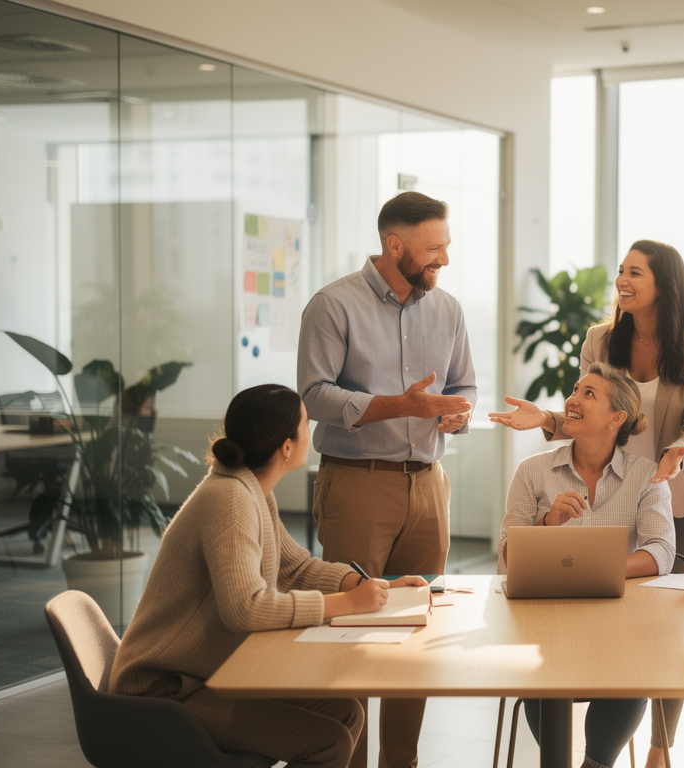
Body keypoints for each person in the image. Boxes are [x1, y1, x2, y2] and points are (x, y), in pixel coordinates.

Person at [110, 384, 427, 768]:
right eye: (306, 424)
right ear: (286, 447)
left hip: (204, 676)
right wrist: (343, 604)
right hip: (166, 691)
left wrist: (364, 586)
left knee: (346, 712)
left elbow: (295, 567)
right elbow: (245, 609)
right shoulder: (228, 499)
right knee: (327, 742)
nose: (312, 432)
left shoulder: (252, 489)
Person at [489, 240, 684, 768]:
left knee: (664, 624)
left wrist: (680, 454)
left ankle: (661, 747)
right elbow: (590, 401)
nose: (622, 279)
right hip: (601, 475)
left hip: (669, 489)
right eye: (621, 270)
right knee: (594, 606)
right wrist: (547, 421)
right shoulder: (600, 338)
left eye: (635, 272)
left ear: (665, 283)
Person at [297, 191, 476, 768]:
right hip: (357, 483)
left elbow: (465, 385)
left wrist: (458, 410)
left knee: (419, 627)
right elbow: (315, 396)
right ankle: (344, 758)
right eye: (433, 248)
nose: (443, 259)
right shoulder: (332, 305)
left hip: (429, 485)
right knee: (349, 627)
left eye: (446, 246)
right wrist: (399, 405)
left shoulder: (447, 308)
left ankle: (401, 761)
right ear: (394, 245)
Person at [497, 362, 675, 768]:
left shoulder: (647, 477)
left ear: (617, 418)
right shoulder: (533, 471)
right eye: (575, 390)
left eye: (588, 394)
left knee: (635, 669)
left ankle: (597, 764)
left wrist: (598, 567)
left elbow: (662, 551)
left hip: (615, 624)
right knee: (542, 671)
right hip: (545, 623)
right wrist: (547, 524)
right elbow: (508, 554)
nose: (572, 400)